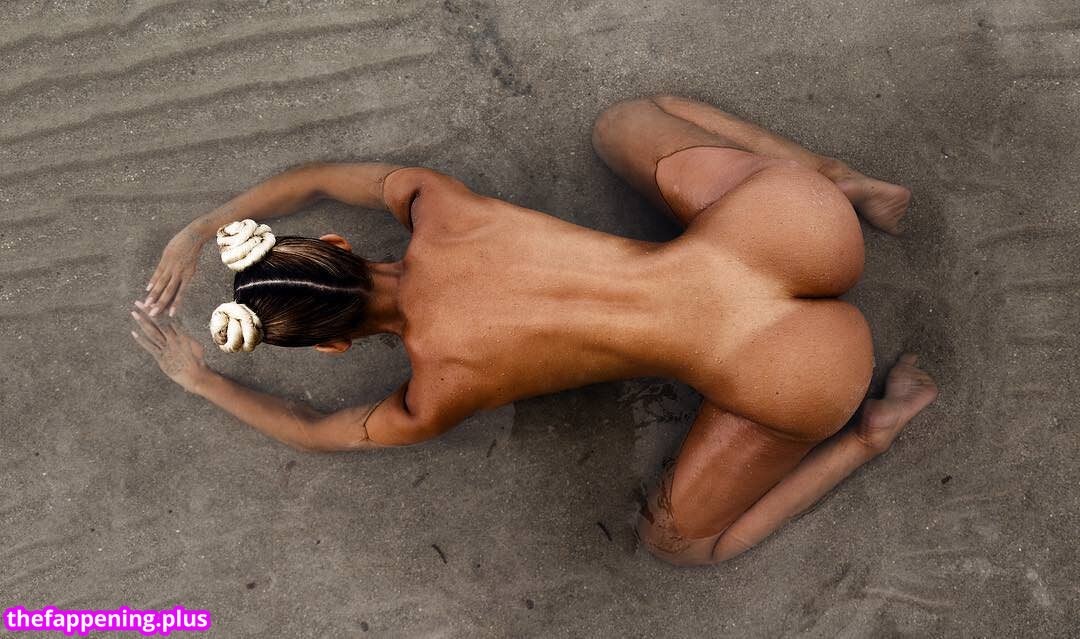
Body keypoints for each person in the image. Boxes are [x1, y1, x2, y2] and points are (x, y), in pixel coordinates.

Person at [131, 96, 938, 566]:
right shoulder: (432, 202)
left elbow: (314, 431)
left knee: (679, 544)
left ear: (333, 343)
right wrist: (204, 227)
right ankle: (843, 182)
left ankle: (875, 430)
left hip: (802, 373)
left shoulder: (431, 397)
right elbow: (315, 180)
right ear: (339, 244)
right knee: (623, 122)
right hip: (795, 226)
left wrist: (201, 380)